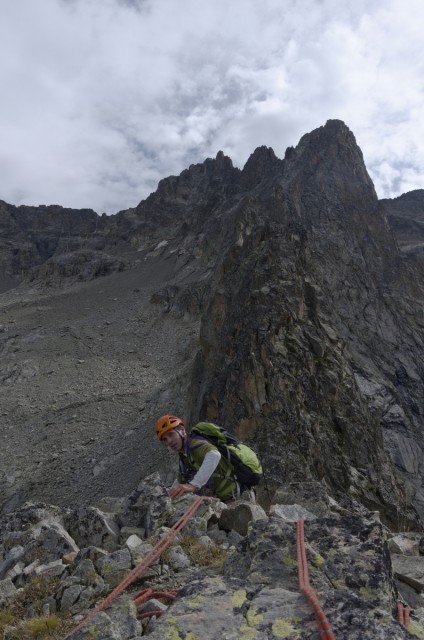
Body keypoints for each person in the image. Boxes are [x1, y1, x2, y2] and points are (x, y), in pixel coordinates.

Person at [155, 414, 239, 502]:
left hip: (237, 494)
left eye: (171, 434)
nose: (169, 441)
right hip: (224, 497)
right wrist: (170, 494)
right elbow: (181, 481)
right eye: (165, 439)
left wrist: (193, 485)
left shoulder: (195, 445)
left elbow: (214, 455)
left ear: (182, 430)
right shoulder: (184, 457)